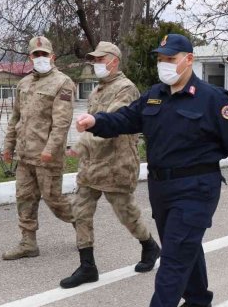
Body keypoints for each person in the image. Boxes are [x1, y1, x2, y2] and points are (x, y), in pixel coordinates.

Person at [75, 34, 228, 307]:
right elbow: (126, 118)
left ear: (189, 60)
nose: (164, 64)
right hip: (161, 188)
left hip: (196, 188)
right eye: (161, 59)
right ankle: (197, 300)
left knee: (172, 259)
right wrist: (96, 121)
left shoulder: (211, 98)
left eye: (170, 59)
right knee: (184, 248)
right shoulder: (154, 96)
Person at [60, 42, 160, 289]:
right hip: (91, 165)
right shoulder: (96, 91)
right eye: (94, 60)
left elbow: (112, 124)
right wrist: (82, 148)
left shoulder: (126, 90)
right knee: (80, 212)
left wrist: (80, 146)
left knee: (126, 214)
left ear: (114, 61)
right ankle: (87, 266)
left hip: (116, 165)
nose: (95, 64)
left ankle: (149, 246)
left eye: (99, 59)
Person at [1, 36, 76, 260]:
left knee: (54, 200)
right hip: (25, 155)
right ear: (30, 57)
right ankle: (28, 243)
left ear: (52, 56)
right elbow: (16, 117)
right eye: (36, 54)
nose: (40, 58)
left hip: (47, 157)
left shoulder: (62, 83)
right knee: (24, 197)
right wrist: (8, 145)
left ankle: (81, 223)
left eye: (44, 54)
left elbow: (62, 122)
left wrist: (50, 149)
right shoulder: (23, 84)